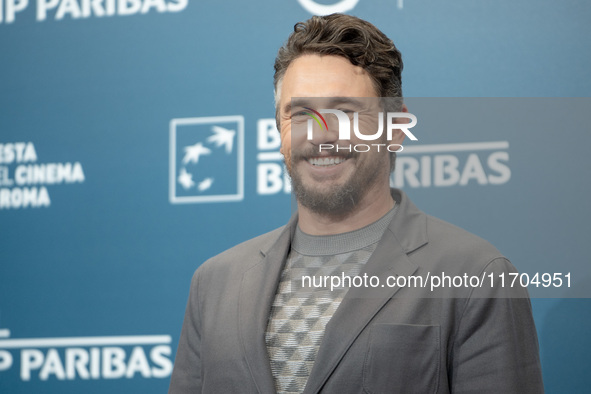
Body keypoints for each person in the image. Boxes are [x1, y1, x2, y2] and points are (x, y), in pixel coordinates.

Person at [169, 14, 544, 393]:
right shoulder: (214, 283)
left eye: (345, 112)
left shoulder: (478, 275)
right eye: (300, 113)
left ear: (395, 129)